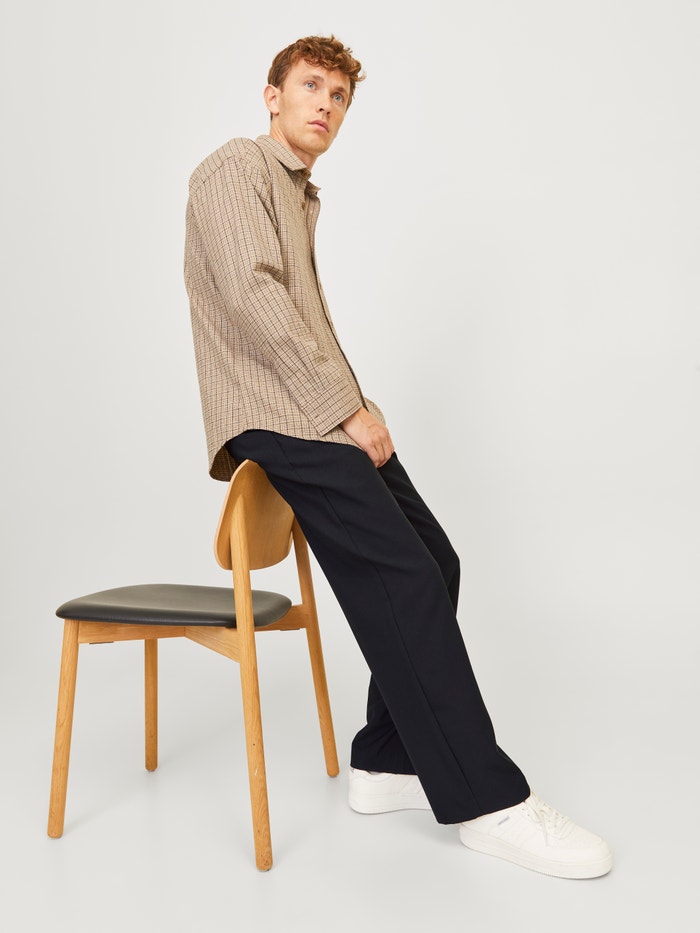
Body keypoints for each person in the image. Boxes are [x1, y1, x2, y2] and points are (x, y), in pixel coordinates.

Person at [183, 34, 612, 879]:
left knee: (434, 560)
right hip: (278, 418)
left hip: (315, 413)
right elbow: (258, 301)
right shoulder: (235, 167)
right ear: (272, 95)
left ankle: (386, 760)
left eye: (339, 95)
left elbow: (302, 318)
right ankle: (488, 801)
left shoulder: (298, 193)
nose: (325, 104)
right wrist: (345, 407)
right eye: (311, 85)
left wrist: (356, 404)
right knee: (406, 577)